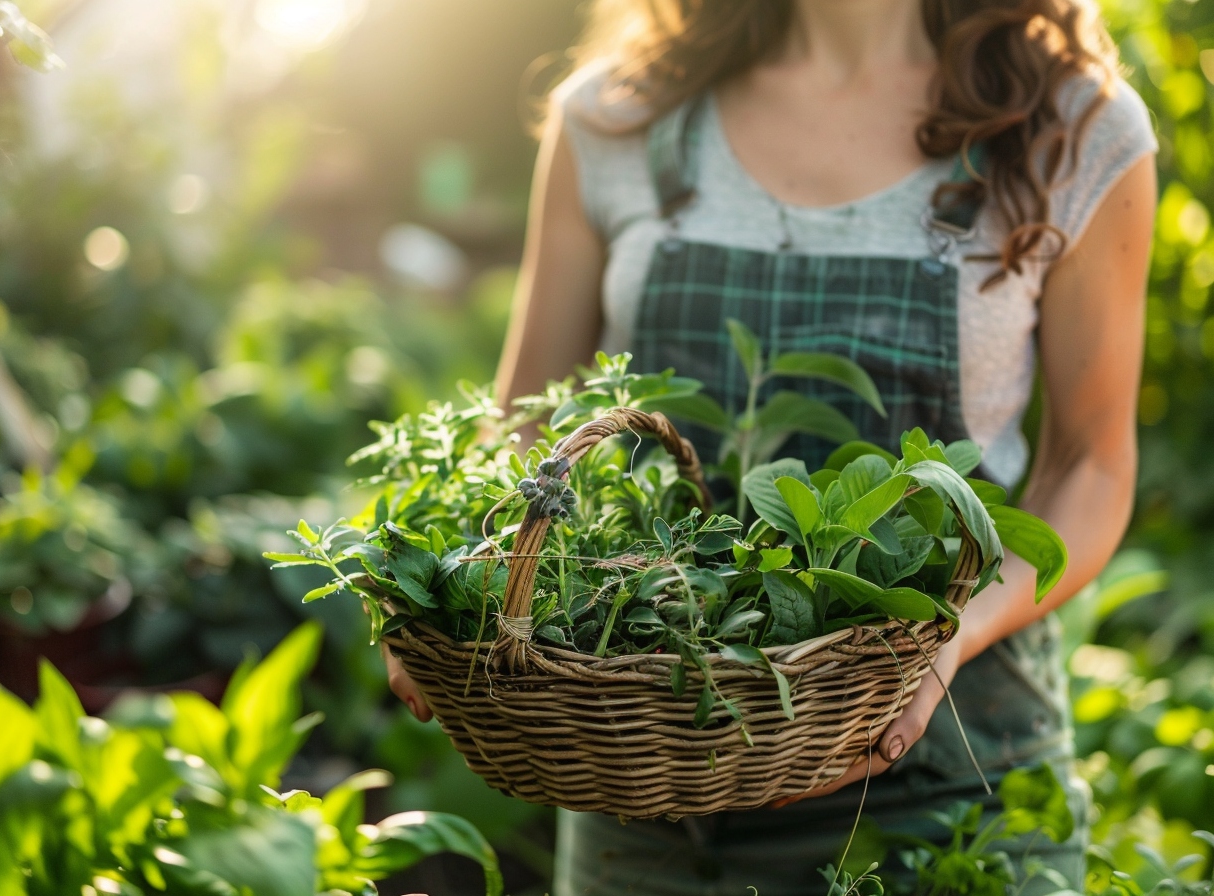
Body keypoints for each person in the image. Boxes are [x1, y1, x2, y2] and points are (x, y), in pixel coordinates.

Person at [385, 1, 1157, 893]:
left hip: (945, 774)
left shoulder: (1072, 127)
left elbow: (1090, 466)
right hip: (649, 780)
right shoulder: (617, 118)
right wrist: (450, 589)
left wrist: (954, 630)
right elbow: (528, 424)